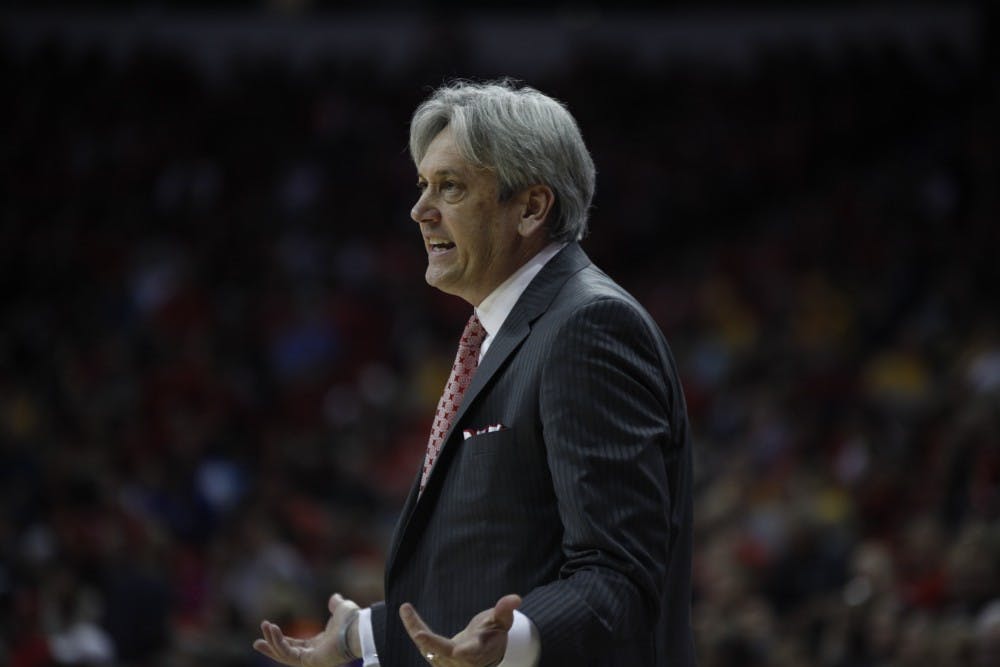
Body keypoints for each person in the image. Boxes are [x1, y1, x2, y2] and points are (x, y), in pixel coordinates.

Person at [253, 79, 695, 667]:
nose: (419, 211)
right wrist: (361, 633)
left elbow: (618, 574)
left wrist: (515, 640)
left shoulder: (589, 327)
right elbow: (496, 570)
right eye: (422, 186)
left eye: (451, 187)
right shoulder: (507, 332)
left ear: (532, 207)